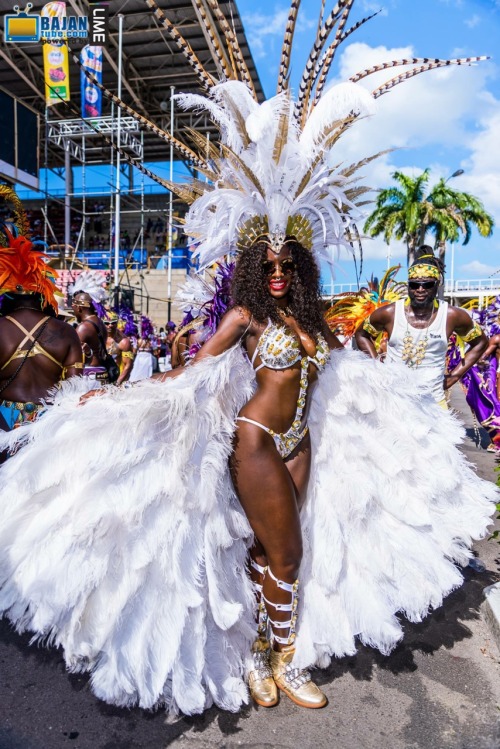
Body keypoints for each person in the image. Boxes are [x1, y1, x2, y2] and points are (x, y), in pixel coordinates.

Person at [0, 7, 495, 718]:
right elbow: (192, 372)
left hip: (302, 442)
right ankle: (281, 663)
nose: (271, 270)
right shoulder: (244, 316)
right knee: (287, 554)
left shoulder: (311, 318)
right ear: (246, 263)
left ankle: (260, 652)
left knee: (270, 555)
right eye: (260, 260)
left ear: (296, 262)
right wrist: (109, 399)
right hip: (257, 440)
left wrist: (408, 404)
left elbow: (352, 366)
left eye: (283, 260)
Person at [355, 253, 488, 407]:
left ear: (437, 285)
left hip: (433, 403)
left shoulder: (453, 316)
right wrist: (377, 367)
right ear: (408, 285)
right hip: (393, 401)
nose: (420, 289)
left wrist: (454, 376)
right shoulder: (389, 313)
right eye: (414, 285)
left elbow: (480, 343)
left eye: (427, 285)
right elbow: (362, 334)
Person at [70, 272, 110, 383]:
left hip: (90, 374)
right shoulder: (99, 322)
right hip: (101, 372)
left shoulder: (84, 327)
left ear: (79, 308)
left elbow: (74, 354)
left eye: (73, 308)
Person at [105, 313, 134, 385]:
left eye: (113, 323)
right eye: (106, 323)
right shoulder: (99, 337)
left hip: (116, 377)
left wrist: (118, 383)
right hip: (100, 376)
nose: (110, 325)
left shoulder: (124, 341)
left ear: (117, 323)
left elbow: (128, 365)